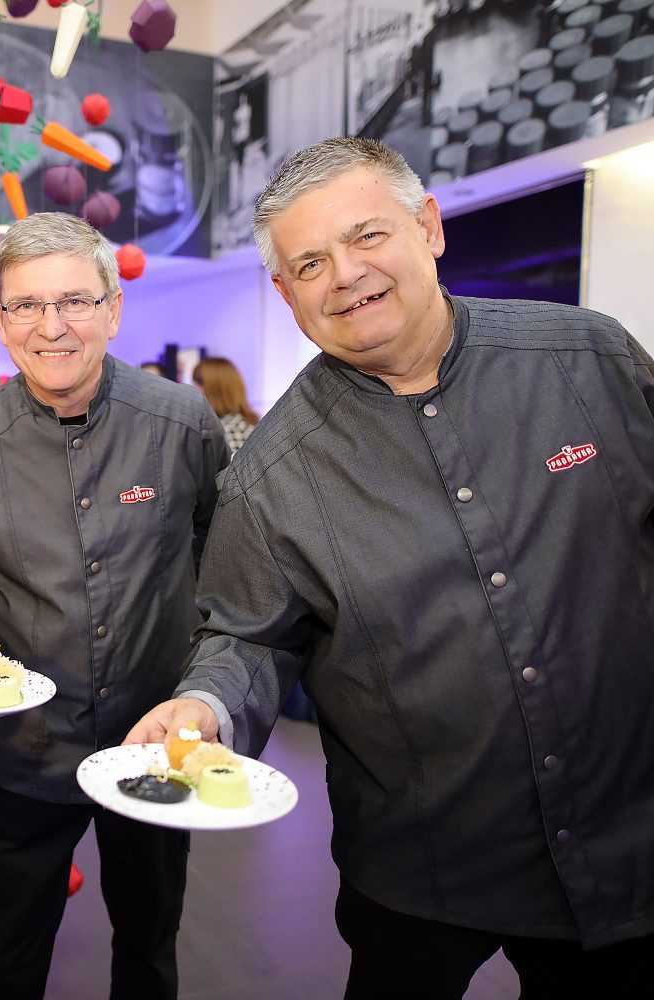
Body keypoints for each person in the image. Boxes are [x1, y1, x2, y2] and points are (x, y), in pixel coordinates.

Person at [129, 137, 654, 998]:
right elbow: (250, 636)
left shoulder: (587, 361)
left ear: (429, 227)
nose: (346, 275)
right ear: (287, 293)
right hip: (422, 860)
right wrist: (206, 704)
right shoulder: (272, 472)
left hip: (624, 828)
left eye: (366, 235)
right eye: (310, 263)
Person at [0, 212, 229, 1000]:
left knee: (150, 946)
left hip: (155, 740)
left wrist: (208, 684)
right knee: (2, 957)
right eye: (26, 305)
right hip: (23, 752)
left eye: (74, 301)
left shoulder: (182, 424)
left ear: (113, 309)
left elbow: (223, 566)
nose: (50, 326)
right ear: (0, 320)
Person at [192, 356, 258, 454]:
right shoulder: (245, 423)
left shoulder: (227, 433)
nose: (193, 390)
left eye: (198, 384)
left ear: (215, 390)